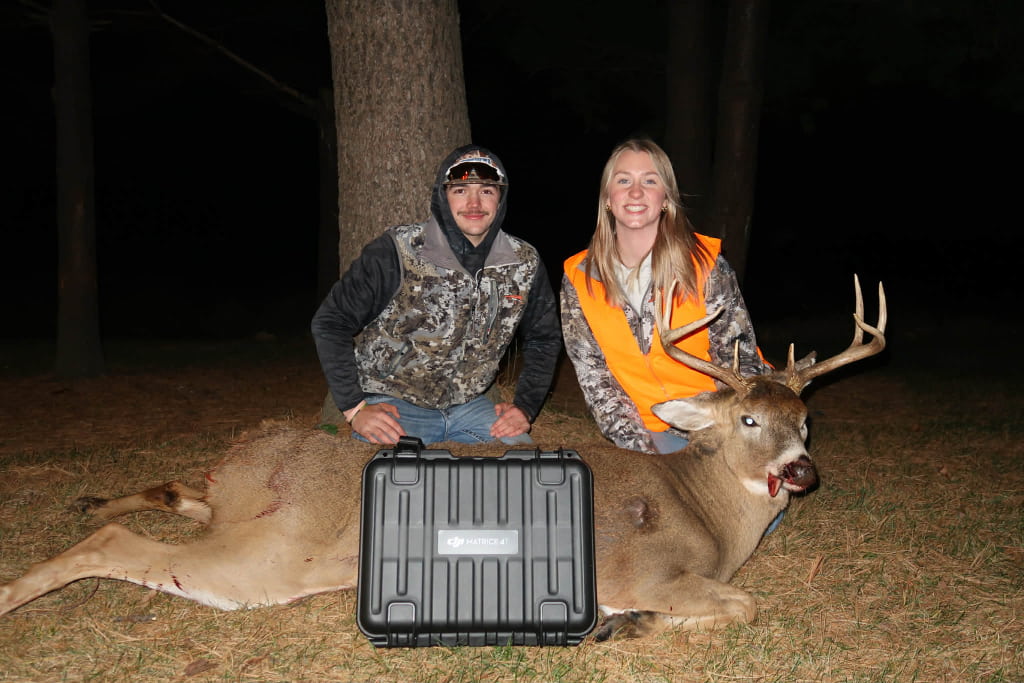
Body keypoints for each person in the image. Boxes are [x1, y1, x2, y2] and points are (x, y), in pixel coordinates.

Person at [312, 144, 562, 447]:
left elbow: (545, 337)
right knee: (388, 482)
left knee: (526, 470)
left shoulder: (524, 261)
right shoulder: (397, 250)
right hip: (395, 405)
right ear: (443, 195)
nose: (474, 203)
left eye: (486, 190)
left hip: (470, 407)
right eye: (460, 190)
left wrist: (525, 406)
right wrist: (355, 408)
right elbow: (331, 321)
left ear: (500, 197)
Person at [561, 138, 768, 455]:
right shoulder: (580, 276)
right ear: (607, 198)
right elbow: (595, 378)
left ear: (666, 199)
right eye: (623, 180)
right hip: (649, 429)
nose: (635, 192)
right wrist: (642, 451)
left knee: (756, 501)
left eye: (650, 180)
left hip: (720, 421)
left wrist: (730, 438)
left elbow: (741, 363)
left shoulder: (705, 265)